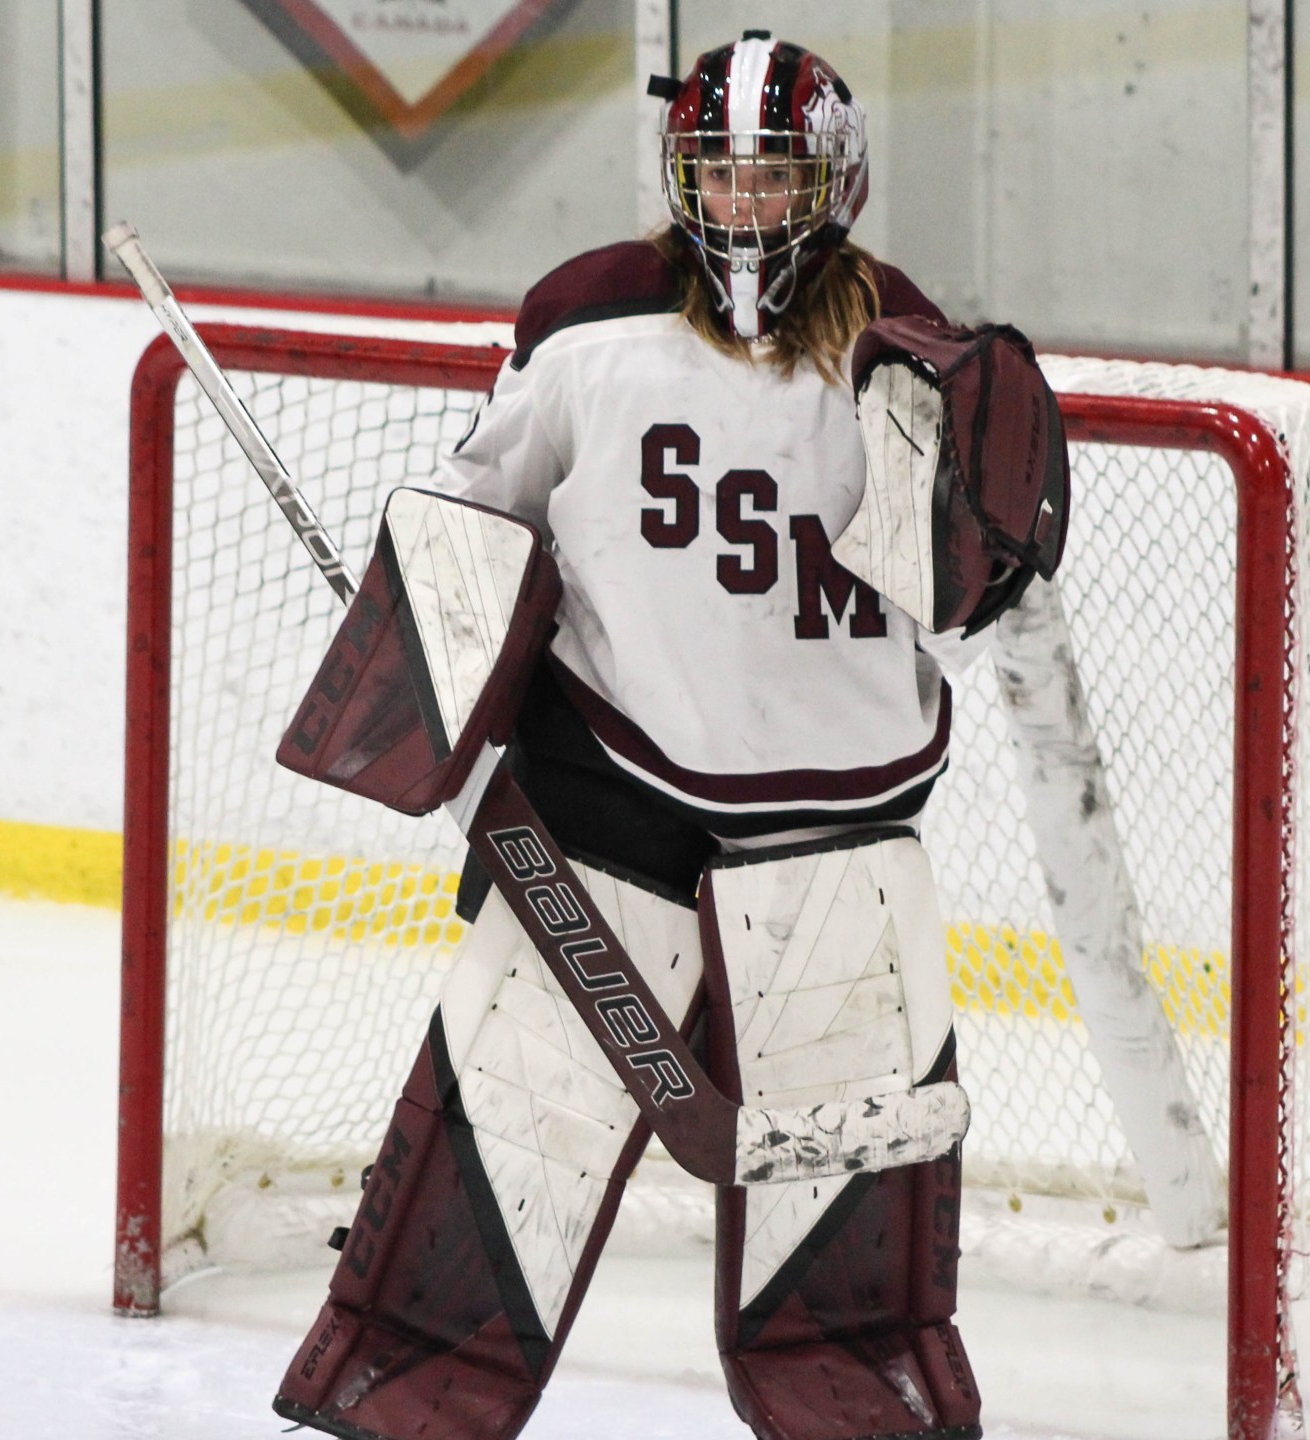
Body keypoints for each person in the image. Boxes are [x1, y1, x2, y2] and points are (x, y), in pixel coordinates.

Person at [273, 33, 986, 1440]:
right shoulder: (587, 328)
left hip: (836, 825)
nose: (742, 207)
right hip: (606, 801)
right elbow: (482, 513)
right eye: (716, 175)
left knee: (852, 1275)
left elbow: (964, 589)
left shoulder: (912, 352)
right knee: (500, 1137)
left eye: (772, 177)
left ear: (830, 181)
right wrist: (445, 673)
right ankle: (404, 1400)